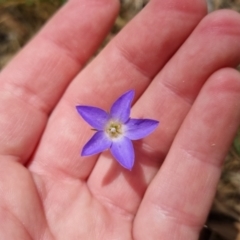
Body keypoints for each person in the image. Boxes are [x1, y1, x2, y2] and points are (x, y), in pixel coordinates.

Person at [0, 0, 240, 239]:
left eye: (115, 128)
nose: (114, 129)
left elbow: (132, 135)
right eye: (113, 129)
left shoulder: (119, 125)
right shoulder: (101, 127)